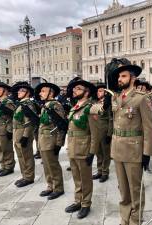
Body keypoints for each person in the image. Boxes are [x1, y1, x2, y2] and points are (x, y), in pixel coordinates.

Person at [106, 58, 152, 225]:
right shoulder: (117, 98)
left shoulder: (142, 98)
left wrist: (146, 153)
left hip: (134, 151)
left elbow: (149, 128)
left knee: (135, 189)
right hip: (118, 149)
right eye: (119, 76)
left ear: (133, 78)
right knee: (123, 189)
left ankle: (135, 219)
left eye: (123, 76)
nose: (120, 79)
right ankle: (124, 218)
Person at [64, 79, 97, 219]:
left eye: (78, 88)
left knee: (85, 178)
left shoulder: (91, 107)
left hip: (84, 148)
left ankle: (86, 203)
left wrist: (92, 151)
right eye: (74, 89)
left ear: (86, 92)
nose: (74, 90)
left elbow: (96, 133)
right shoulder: (75, 106)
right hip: (72, 147)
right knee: (77, 177)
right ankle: (78, 200)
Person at [35, 82, 66, 200]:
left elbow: (61, 126)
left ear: (51, 93)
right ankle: (50, 185)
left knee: (53, 165)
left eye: (43, 91)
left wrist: (59, 143)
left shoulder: (55, 105)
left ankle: (58, 188)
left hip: (51, 141)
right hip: (43, 140)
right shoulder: (46, 105)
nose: (40, 93)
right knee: (46, 165)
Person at [12, 82, 37, 187]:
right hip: (17, 133)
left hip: (23, 133)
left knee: (27, 156)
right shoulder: (21, 104)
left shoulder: (28, 104)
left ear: (28, 93)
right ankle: (24, 176)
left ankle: (29, 177)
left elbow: (29, 121)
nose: (18, 92)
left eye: (22, 90)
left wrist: (26, 136)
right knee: (21, 156)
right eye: (19, 90)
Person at [0, 82, 16, 176]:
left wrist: (9, 130)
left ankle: (9, 166)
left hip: (4, 130)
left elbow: (12, 117)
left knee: (6, 149)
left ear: (5, 91)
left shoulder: (8, 102)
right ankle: (3, 166)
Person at [91, 82, 113, 183]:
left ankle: (105, 172)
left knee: (105, 153)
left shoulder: (108, 103)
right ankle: (99, 170)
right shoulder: (94, 102)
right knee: (98, 152)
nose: (99, 93)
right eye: (98, 91)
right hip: (95, 132)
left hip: (104, 131)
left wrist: (109, 133)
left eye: (102, 91)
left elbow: (110, 119)